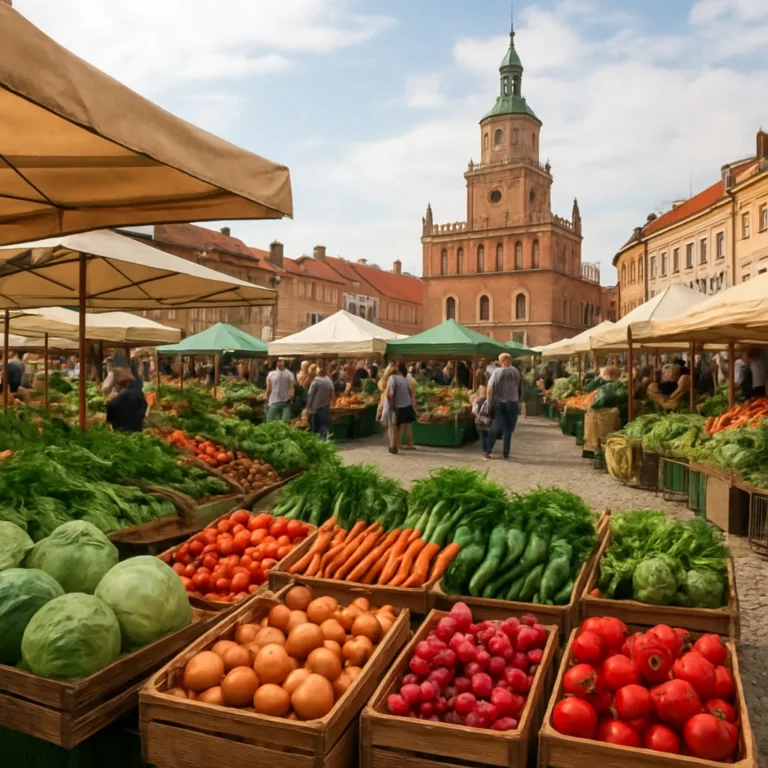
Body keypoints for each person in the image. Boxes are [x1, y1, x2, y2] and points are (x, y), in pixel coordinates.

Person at [485, 353, 521, 460]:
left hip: (500, 403)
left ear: (503, 361)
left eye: (500, 361)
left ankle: (488, 450)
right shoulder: (516, 371)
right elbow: (518, 387)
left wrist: (489, 403)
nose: (499, 363)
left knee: (495, 427)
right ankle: (506, 452)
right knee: (508, 429)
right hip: (513, 402)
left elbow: (490, 388)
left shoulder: (497, 372)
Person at [106, 368, 147, 432]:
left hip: (122, 430)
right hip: (137, 429)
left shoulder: (122, 395)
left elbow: (111, 407)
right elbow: (144, 405)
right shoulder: (138, 391)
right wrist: (139, 418)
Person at [387, 363, 416, 454]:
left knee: (393, 426)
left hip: (397, 406)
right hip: (407, 405)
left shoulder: (392, 378)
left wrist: (392, 406)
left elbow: (390, 394)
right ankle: (397, 445)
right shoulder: (406, 379)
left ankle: (394, 446)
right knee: (400, 427)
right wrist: (412, 404)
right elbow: (411, 393)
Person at [306, 362, 334, 441]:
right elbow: (332, 394)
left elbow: (310, 395)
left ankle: (317, 442)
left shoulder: (315, 382)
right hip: (325, 407)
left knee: (315, 427)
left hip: (316, 408)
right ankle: (323, 441)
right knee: (324, 427)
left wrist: (308, 407)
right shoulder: (328, 381)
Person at [266, 358, 295, 422]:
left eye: (280, 361)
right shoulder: (271, 374)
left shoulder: (289, 374)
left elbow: (291, 389)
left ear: (285, 362)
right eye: (278, 361)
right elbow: (268, 389)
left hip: (284, 402)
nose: (278, 363)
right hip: (274, 401)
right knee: (276, 422)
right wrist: (267, 398)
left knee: (273, 422)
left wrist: (291, 398)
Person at [471, 384, 492, 455]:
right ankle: (489, 449)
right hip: (488, 422)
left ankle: (484, 450)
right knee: (488, 435)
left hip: (479, 422)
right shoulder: (490, 401)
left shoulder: (478, 401)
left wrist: (473, 404)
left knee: (482, 436)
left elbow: (474, 411)